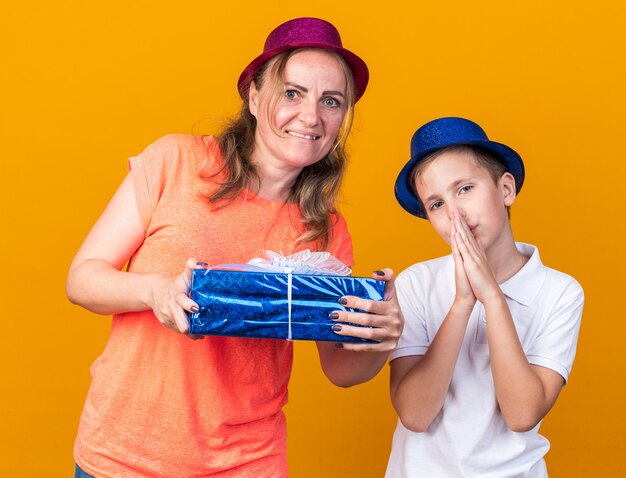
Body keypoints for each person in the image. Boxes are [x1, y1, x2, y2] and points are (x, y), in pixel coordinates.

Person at [66, 17, 402, 478]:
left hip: (247, 462)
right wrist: (157, 292)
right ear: (254, 96)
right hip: (123, 457)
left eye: (331, 101)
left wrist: (380, 338)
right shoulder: (176, 161)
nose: (311, 116)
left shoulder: (325, 231)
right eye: (292, 92)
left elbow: (341, 371)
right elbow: (82, 278)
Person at [386, 117, 584, 477]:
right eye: (436, 204)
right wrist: (463, 303)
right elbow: (415, 414)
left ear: (505, 189)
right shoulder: (416, 282)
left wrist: (492, 297)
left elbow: (522, 414)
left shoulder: (560, 292)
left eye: (465, 189)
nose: (455, 215)